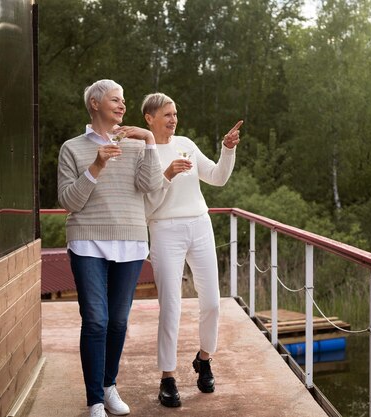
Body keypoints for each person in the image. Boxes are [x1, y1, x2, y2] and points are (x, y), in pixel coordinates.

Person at [58, 80, 163, 417]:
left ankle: (109, 386)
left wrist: (148, 140)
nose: (122, 105)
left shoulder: (136, 145)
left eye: (124, 100)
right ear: (94, 103)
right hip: (87, 240)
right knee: (96, 321)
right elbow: (69, 201)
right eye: (115, 99)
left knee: (118, 321)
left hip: (131, 241)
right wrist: (97, 165)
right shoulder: (72, 148)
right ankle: (95, 401)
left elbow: (151, 186)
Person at [141, 92, 242, 407]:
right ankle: (168, 377)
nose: (173, 119)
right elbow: (147, 204)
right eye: (167, 114)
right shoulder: (142, 152)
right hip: (164, 229)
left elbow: (217, 177)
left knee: (211, 301)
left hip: (200, 225)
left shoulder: (186, 142)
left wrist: (227, 150)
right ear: (150, 118)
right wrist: (168, 174)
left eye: (175, 113)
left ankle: (204, 358)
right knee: (171, 306)